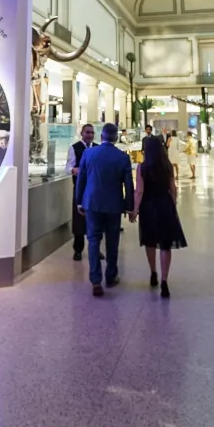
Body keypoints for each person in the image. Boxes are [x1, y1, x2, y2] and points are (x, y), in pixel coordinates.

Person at [75, 123, 134, 297]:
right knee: (112, 240)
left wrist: (79, 201)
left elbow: (81, 179)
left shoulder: (89, 153)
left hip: (92, 203)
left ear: (101, 137)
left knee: (93, 240)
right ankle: (110, 276)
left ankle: (95, 280)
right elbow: (128, 185)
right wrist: (129, 206)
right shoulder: (122, 157)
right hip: (114, 205)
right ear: (116, 138)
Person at [134, 136, 187, 298]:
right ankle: (164, 280)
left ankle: (153, 273)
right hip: (164, 204)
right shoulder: (167, 166)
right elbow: (173, 188)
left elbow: (139, 191)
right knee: (165, 243)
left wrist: (135, 210)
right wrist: (173, 204)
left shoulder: (142, 167)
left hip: (148, 206)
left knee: (150, 240)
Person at [64, 123, 97, 261]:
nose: (90, 135)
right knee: (79, 220)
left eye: (92, 132)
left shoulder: (97, 148)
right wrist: (73, 170)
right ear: (82, 133)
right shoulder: (74, 148)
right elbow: (68, 167)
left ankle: (95, 249)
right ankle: (78, 250)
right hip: (80, 189)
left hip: (95, 189)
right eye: (87, 132)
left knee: (95, 219)